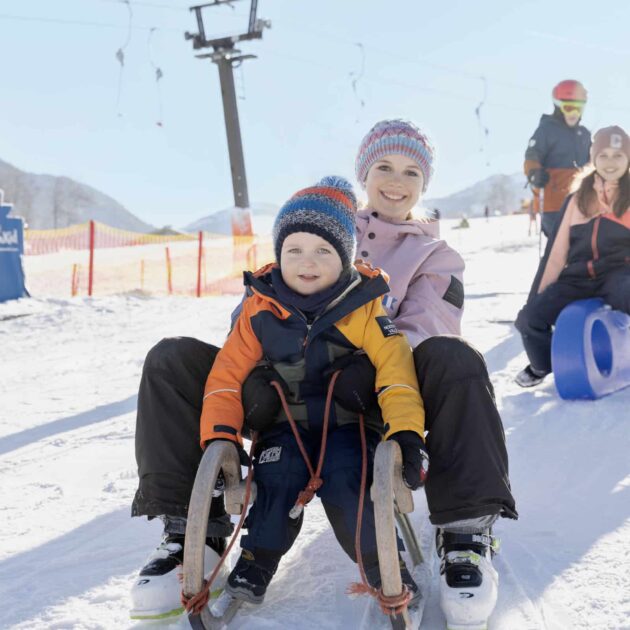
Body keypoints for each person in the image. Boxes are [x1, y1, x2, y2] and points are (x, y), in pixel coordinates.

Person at [130, 119, 517, 630]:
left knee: (455, 358)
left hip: (370, 394)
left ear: (425, 184)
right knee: (172, 359)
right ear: (364, 172)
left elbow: (426, 333)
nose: (395, 181)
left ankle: (466, 533)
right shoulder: (315, 220)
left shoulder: (434, 256)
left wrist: (356, 359)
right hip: (281, 387)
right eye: (383, 166)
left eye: (409, 172)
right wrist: (265, 372)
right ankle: (190, 533)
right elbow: (249, 320)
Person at [201, 176, 427, 606]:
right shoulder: (259, 309)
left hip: (349, 426)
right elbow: (226, 378)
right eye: (294, 250)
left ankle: (383, 565)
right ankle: (257, 559)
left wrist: (406, 433)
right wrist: (220, 436)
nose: (308, 262)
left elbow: (397, 374)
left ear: (344, 258)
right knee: (276, 480)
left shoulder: (364, 307)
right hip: (285, 427)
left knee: (351, 485)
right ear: (279, 254)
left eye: (323, 250)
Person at [515, 125, 630, 388]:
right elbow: (556, 254)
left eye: (618, 155)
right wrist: (536, 298)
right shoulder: (578, 199)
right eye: (604, 156)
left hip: (619, 274)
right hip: (577, 279)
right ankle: (542, 364)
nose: (610, 163)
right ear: (594, 158)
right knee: (529, 318)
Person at [524, 79, 591, 237]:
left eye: (578, 108)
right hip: (553, 203)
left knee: (582, 244)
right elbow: (532, 155)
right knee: (560, 243)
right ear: (558, 107)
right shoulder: (546, 130)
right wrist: (534, 172)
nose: (574, 113)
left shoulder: (585, 134)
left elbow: (593, 162)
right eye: (569, 108)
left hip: (581, 200)